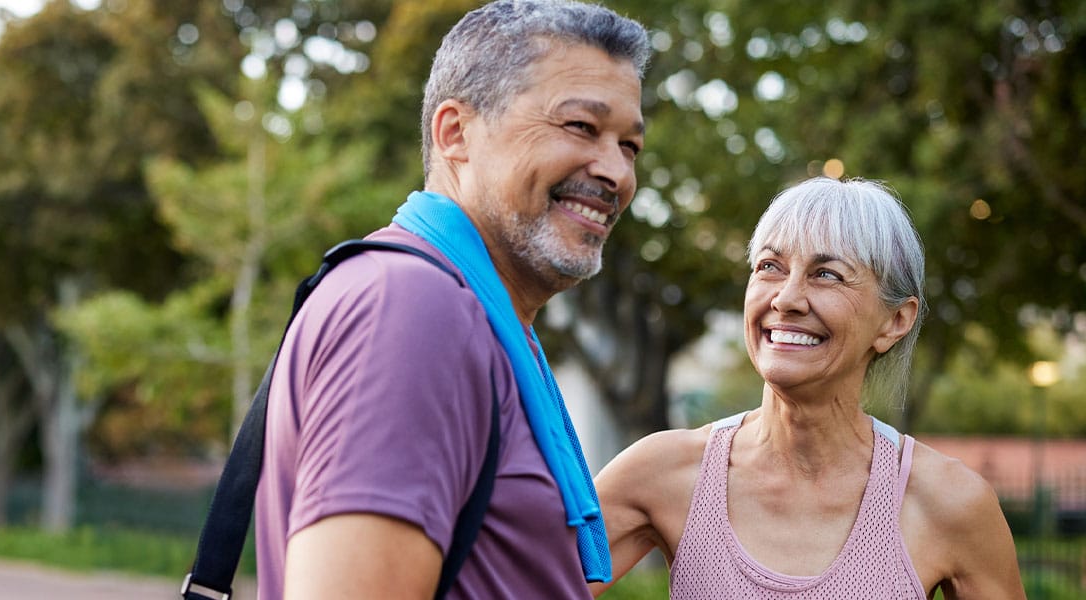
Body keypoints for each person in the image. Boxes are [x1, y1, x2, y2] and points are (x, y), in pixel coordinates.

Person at [253, 1, 650, 598]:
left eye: (630, 146)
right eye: (581, 127)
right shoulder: (414, 310)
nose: (616, 172)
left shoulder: (465, 313)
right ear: (455, 133)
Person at [590, 177, 1024, 599]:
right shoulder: (661, 473)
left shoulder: (951, 503)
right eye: (769, 267)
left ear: (894, 321)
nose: (786, 298)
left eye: (827, 274)